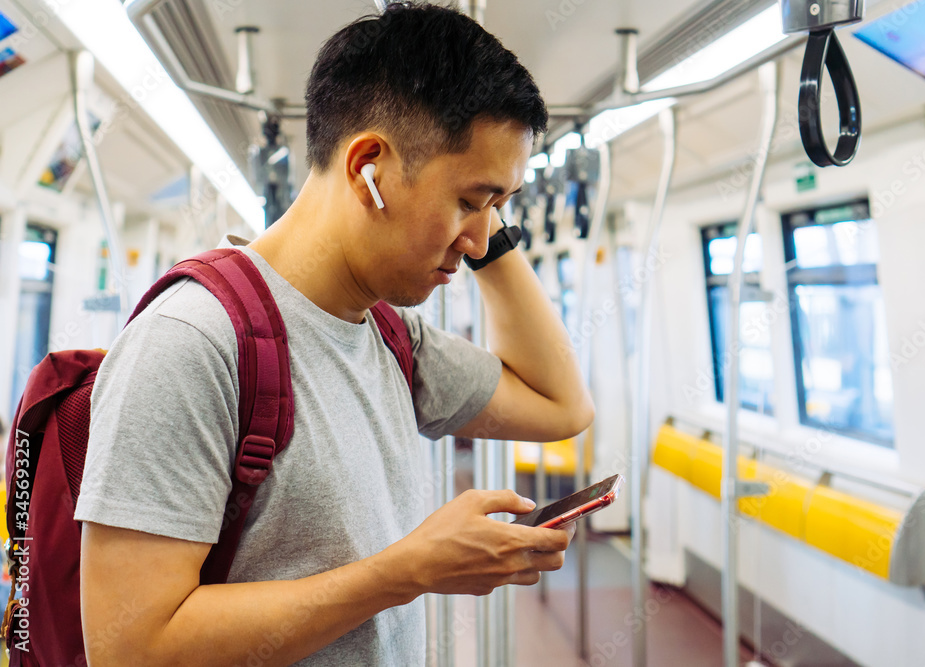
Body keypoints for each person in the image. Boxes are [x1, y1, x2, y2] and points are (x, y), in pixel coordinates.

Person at [76, 3, 593, 665]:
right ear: (368, 167)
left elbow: (562, 405)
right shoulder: (191, 342)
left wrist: (484, 223)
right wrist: (406, 570)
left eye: (499, 206)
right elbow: (130, 649)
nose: (482, 238)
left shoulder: (390, 334)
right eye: (469, 200)